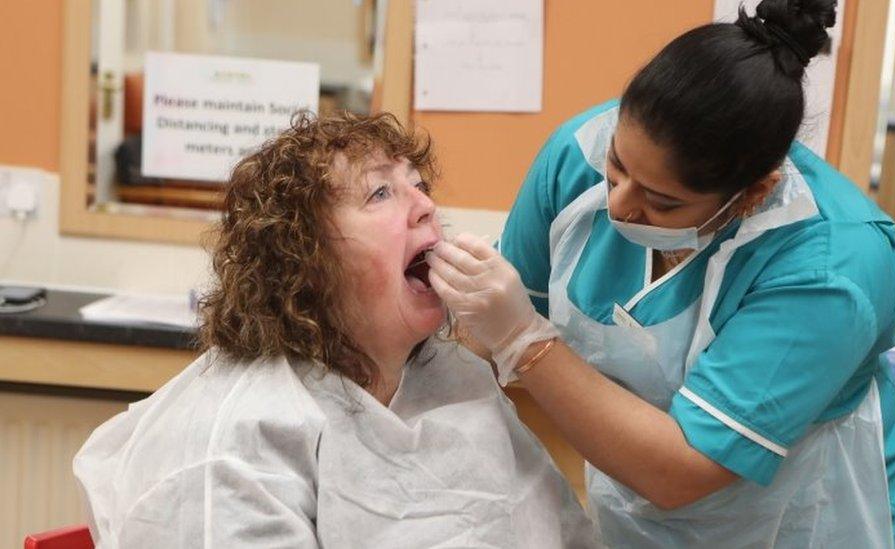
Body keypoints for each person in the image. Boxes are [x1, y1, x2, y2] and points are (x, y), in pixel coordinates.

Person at [427, 1, 895, 548]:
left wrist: (525, 342)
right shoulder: (577, 155)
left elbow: (681, 469)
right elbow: (480, 331)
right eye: (615, 166)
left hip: (825, 519)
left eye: (662, 203)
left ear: (754, 192)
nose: (618, 205)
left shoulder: (830, 264)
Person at [73, 112, 600, 548]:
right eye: (380, 194)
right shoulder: (240, 435)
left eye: (419, 186)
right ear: (304, 258)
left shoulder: (456, 379)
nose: (426, 206)